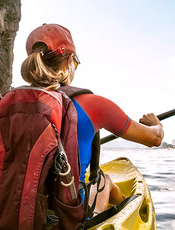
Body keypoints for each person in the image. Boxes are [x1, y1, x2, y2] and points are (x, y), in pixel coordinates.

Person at [21, 23, 164, 215]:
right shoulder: (92, 104)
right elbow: (154, 139)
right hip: (66, 220)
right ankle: (125, 218)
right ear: (70, 61)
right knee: (104, 181)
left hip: (17, 212)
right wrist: (156, 124)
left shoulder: (9, 104)